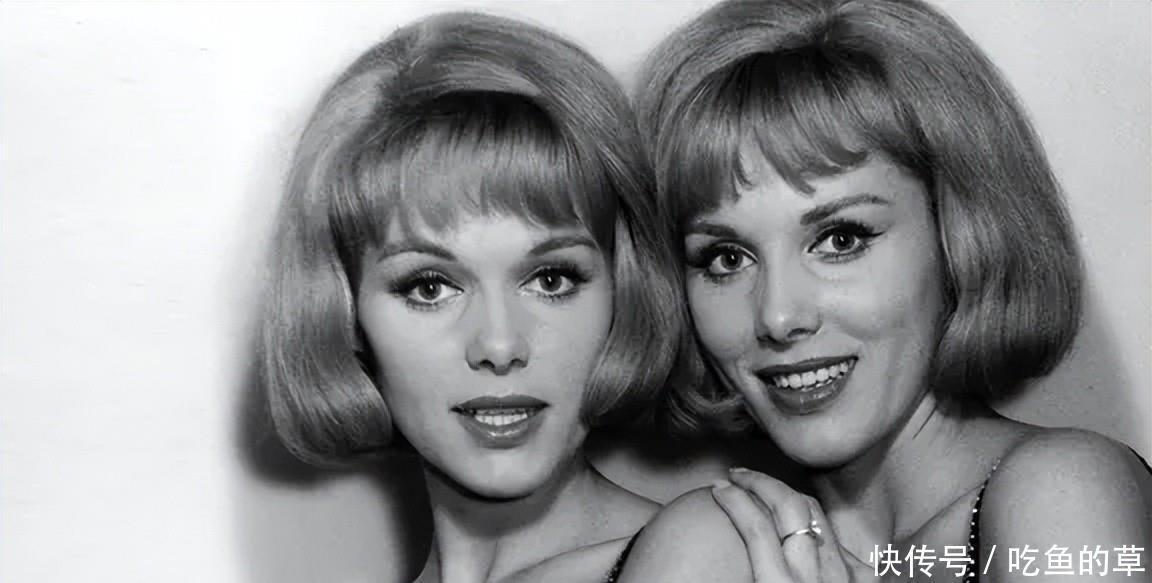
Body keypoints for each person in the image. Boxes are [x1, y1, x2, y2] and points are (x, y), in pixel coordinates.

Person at [624, 0, 1152, 581]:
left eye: (841, 239)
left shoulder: (1062, 491)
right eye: (726, 258)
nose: (777, 315)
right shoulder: (721, 538)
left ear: (959, 235)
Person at [256, 12, 681, 582]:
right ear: (347, 314)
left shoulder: (713, 549)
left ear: (622, 289)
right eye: (430, 288)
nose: (500, 346)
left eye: (551, 279)